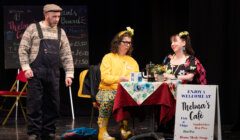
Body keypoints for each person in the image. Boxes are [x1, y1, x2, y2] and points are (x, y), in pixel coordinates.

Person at [18, 4, 74, 140]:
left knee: (53, 103)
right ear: (46, 14)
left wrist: (69, 74)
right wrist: (26, 68)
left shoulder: (61, 32)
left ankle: (49, 130)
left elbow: (67, 54)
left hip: (53, 72)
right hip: (36, 72)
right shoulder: (33, 28)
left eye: (59, 17)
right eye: (54, 16)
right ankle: (34, 132)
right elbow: (23, 49)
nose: (57, 19)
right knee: (35, 104)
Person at [96, 27, 139, 140]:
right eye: (125, 42)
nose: (127, 45)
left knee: (129, 99)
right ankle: (102, 132)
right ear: (117, 42)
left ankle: (124, 129)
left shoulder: (132, 61)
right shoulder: (108, 57)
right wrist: (120, 79)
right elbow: (105, 78)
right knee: (110, 97)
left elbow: (135, 78)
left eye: (129, 43)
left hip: (125, 92)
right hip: (106, 90)